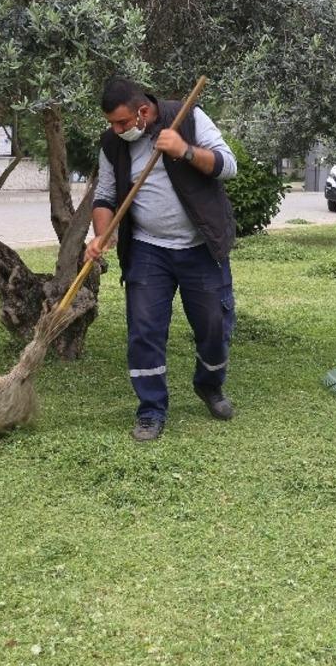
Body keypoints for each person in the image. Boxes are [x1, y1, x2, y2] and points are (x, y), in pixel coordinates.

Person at [84, 78, 238, 442]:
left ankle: (210, 386)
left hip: (201, 246)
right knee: (145, 332)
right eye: (111, 124)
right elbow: (105, 197)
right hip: (148, 250)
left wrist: (184, 150)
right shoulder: (112, 145)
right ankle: (151, 410)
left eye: (122, 123)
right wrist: (102, 236)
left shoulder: (188, 117)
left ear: (143, 111)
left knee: (214, 327)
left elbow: (228, 166)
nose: (116, 130)